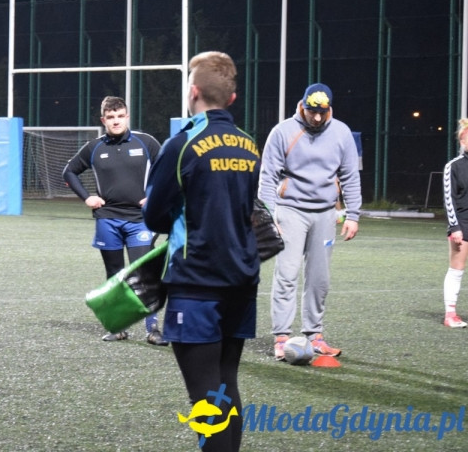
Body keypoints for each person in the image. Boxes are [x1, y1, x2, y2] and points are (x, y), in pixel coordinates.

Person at [142, 51, 260, 452]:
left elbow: (154, 219)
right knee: (226, 385)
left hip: (196, 285)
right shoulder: (249, 145)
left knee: (207, 398)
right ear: (231, 98)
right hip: (242, 280)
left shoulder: (182, 145)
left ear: (193, 92)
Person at [259, 83, 360, 360]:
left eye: (322, 112)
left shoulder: (341, 133)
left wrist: (352, 214)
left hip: (326, 214)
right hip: (290, 211)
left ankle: (314, 334)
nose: (316, 117)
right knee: (287, 274)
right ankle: (281, 337)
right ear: (302, 106)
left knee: (319, 278)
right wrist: (269, 217)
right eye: (312, 111)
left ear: (330, 109)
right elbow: (267, 178)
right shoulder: (282, 132)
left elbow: (350, 175)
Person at [63, 96, 166, 344]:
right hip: (107, 220)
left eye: (120, 116)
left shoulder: (146, 142)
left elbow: (169, 171)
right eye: (111, 117)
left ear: (127, 116)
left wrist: (153, 197)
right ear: (103, 120)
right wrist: (87, 198)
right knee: (114, 274)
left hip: (140, 220)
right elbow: (69, 171)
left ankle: (152, 329)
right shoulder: (95, 147)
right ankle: (118, 327)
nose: (116, 121)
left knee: (143, 274)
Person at [443, 119, 468, 328]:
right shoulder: (453, 166)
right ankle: (450, 314)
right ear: (462, 139)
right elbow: (449, 199)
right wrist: (455, 227)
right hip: (463, 224)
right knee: (457, 268)